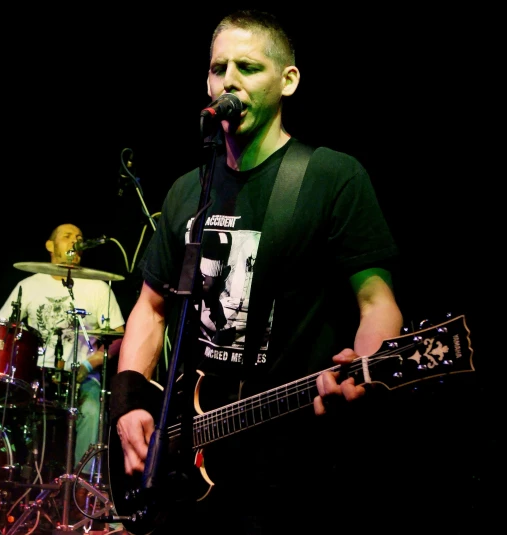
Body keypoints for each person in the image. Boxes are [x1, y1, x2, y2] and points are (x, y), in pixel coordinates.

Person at [109, 9, 405, 535]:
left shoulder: (331, 176)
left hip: (292, 463)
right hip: (190, 469)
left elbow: (376, 301)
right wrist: (130, 402)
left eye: (248, 67)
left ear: (288, 80)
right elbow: (150, 310)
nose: (230, 81)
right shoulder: (186, 191)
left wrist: (366, 363)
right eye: (219, 68)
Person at [0, 223, 125, 485]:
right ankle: (9, 478)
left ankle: (82, 487)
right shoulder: (28, 285)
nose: (74, 241)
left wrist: (88, 366)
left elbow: (119, 335)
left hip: (81, 376)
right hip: (34, 375)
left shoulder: (98, 287)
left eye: (79, 237)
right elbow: (3, 330)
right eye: (67, 237)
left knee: (93, 410)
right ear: (50, 245)